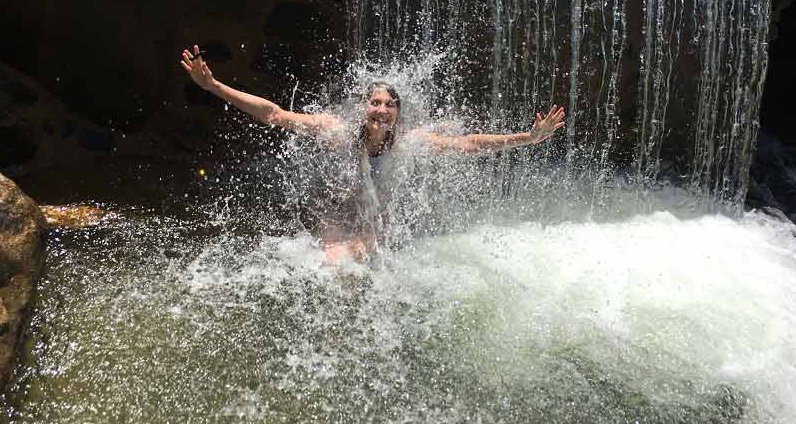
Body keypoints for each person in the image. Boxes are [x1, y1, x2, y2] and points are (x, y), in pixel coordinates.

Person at [180, 44, 566, 263]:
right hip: (333, 208)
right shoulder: (337, 131)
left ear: (397, 113)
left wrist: (529, 138)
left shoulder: (410, 142)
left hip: (372, 215)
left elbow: (469, 143)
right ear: (365, 107)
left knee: (362, 258)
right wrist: (214, 86)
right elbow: (274, 114)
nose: (381, 110)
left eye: (389, 105)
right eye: (375, 103)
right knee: (332, 265)